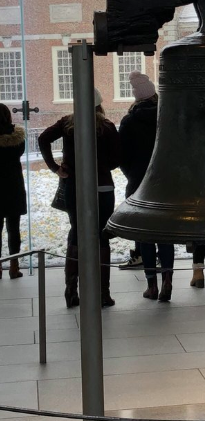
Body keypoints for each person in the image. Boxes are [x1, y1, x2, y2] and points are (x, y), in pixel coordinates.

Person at [39, 89, 120, 308]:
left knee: (76, 234)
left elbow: (43, 139)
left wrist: (56, 167)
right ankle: (103, 292)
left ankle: (71, 290)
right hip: (102, 187)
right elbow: (115, 160)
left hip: (76, 187)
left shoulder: (67, 124)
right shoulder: (108, 128)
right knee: (102, 235)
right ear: (99, 105)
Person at [119, 70, 174, 302]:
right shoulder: (168, 117)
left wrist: (132, 173)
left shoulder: (129, 121)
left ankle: (151, 285)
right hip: (166, 182)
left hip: (139, 183)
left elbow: (122, 156)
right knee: (165, 234)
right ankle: (168, 280)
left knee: (145, 235)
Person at [0, 104, 27, 280]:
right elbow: (20, 153)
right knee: (13, 228)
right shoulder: (17, 138)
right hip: (13, 186)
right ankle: (14, 266)